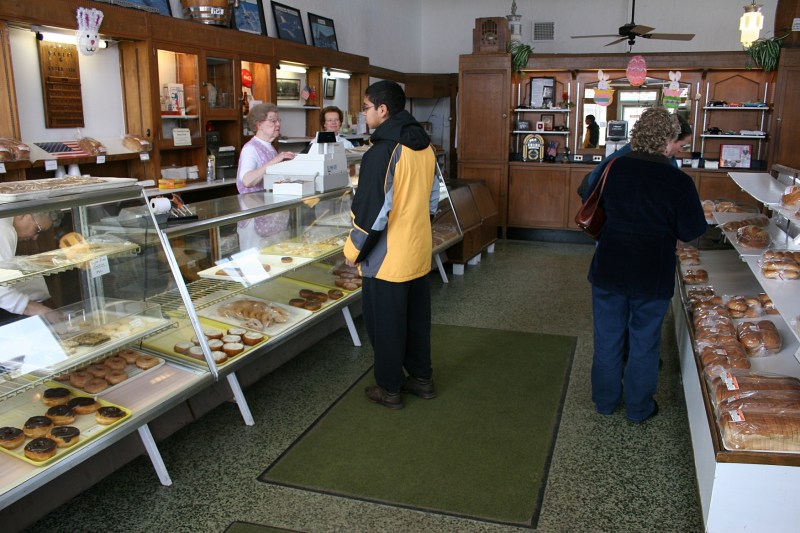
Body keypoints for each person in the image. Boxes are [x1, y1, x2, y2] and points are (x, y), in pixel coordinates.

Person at [587, 107, 706, 424]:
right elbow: (692, 230)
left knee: (607, 338)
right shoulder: (679, 182)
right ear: (667, 139)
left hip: (609, 266)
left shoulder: (615, 168)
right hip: (651, 272)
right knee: (644, 342)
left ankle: (605, 401)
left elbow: (590, 196)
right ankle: (639, 408)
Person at [343, 80, 439, 410]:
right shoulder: (424, 146)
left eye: (366, 108)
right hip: (418, 251)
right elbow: (433, 199)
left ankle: (389, 389)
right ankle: (422, 379)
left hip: (387, 260)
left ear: (382, 110)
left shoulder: (382, 152)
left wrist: (353, 252)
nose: (364, 114)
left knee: (385, 326)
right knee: (415, 322)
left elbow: (372, 212)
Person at [579, 114, 693, 201]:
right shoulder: (632, 155)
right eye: (682, 145)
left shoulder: (666, 158)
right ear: (670, 139)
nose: (681, 150)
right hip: (594, 189)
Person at [236, 103, 296, 251]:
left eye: (278, 120)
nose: (278, 124)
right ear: (259, 125)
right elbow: (247, 180)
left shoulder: (270, 148)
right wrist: (275, 161)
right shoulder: (250, 149)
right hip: (256, 221)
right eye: (272, 120)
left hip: (272, 220)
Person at [0, 213, 57, 325]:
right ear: (21, 215)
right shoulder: (4, 229)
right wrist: (42, 311)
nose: (35, 237)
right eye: (37, 229)